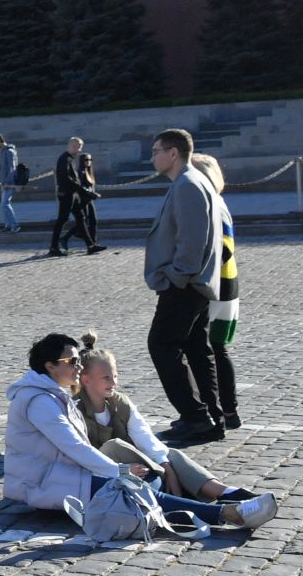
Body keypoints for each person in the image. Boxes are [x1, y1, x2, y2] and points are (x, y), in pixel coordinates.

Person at [4, 333, 275, 530]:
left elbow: (129, 438)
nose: (77, 366)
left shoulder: (52, 396)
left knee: (142, 490)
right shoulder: (40, 401)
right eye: (72, 361)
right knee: (135, 493)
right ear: (50, 366)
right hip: (44, 482)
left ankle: (224, 503)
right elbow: (74, 446)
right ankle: (228, 513)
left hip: (66, 475)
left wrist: (156, 465)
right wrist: (119, 472)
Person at [76, 333, 268, 506]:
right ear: (86, 380)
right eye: (106, 378)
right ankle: (199, 500)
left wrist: (166, 466)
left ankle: (228, 492)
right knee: (114, 445)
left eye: (115, 376)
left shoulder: (121, 403)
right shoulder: (73, 408)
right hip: (104, 475)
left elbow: (144, 435)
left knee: (170, 454)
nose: (114, 383)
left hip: (139, 471)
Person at [144, 128, 227, 445]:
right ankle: (211, 419)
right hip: (195, 284)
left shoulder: (188, 185)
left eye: (156, 151)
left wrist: (175, 276)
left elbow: (191, 243)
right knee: (195, 349)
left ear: (173, 153)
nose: (153, 157)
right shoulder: (191, 182)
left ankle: (196, 416)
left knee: (162, 344)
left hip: (186, 284)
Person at [191, 154, 242, 431]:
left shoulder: (212, 203)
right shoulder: (217, 201)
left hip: (216, 283)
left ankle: (223, 410)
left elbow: (222, 248)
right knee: (217, 349)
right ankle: (227, 410)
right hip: (225, 280)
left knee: (213, 349)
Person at [49, 136, 94, 257]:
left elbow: (71, 178)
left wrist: (80, 190)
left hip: (71, 194)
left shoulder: (69, 158)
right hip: (66, 194)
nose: (79, 150)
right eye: (79, 147)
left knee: (80, 218)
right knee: (62, 220)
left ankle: (91, 245)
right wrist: (82, 190)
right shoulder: (65, 159)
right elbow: (66, 178)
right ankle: (53, 247)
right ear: (73, 146)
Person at [68, 153, 106, 254]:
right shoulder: (80, 172)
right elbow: (81, 188)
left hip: (89, 199)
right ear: (81, 161)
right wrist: (92, 194)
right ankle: (66, 238)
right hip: (83, 200)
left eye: (89, 160)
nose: (88, 162)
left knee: (92, 221)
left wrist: (93, 193)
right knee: (83, 223)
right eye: (86, 160)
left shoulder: (88, 171)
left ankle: (93, 244)